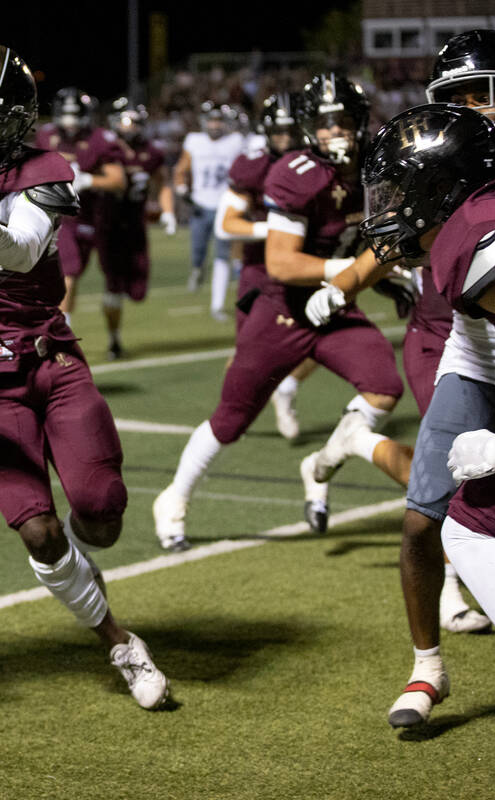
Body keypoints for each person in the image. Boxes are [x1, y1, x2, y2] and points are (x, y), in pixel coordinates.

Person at [311, 29, 495, 727]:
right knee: (425, 518)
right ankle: (426, 665)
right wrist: (346, 283)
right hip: (474, 344)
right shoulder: (450, 151)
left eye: (481, 93)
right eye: (455, 97)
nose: (471, 109)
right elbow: (400, 219)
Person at [0, 43, 170, 709]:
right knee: (37, 528)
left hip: (52, 360)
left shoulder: (43, 166)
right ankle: (119, 642)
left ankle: (82, 554)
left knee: (99, 515)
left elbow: (26, 246)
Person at [360, 102, 495, 799]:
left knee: (472, 531)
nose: (387, 208)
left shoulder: (471, 235)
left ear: (440, 189)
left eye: (398, 192)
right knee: (455, 525)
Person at [152, 74, 411, 551]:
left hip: (334, 307)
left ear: (360, 121)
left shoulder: (377, 165)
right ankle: (174, 497)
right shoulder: (297, 171)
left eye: (342, 121)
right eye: (325, 122)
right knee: (232, 417)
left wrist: (386, 277)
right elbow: (282, 262)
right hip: (284, 309)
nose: (335, 131)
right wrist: (353, 270)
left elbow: (376, 235)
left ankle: (320, 464)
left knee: (384, 387)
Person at [212, 93, 317, 441]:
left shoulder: (320, 161)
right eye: (279, 130)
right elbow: (225, 224)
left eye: (292, 129)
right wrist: (272, 230)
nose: (285, 137)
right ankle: (227, 414)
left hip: (308, 265)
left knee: (323, 338)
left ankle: (286, 388)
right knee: (247, 350)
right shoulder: (254, 164)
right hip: (260, 271)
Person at [33, 86, 127, 329]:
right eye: (66, 115)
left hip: (94, 215)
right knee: (68, 274)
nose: (70, 122)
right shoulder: (46, 136)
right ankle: (63, 333)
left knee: (113, 276)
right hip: (59, 217)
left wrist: (87, 180)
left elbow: (118, 181)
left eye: (75, 115)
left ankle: (111, 334)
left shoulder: (99, 139)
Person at [91, 97, 171, 360]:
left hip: (136, 225)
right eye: (123, 121)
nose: (128, 127)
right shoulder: (102, 148)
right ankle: (114, 340)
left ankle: (115, 320)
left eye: (133, 122)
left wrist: (166, 210)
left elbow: (162, 181)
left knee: (138, 292)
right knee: (113, 286)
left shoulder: (152, 152)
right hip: (108, 224)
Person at [172, 101, 246, 319]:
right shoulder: (194, 141)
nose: (214, 124)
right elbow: (181, 169)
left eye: (218, 120)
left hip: (226, 205)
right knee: (198, 252)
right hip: (200, 204)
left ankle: (217, 305)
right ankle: (197, 269)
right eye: (211, 120)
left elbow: (245, 170)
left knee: (223, 255)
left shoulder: (235, 141)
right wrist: (181, 187)